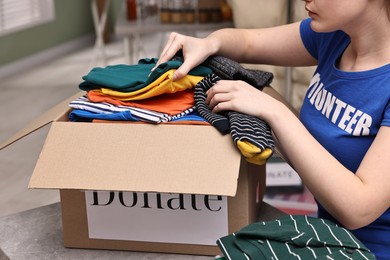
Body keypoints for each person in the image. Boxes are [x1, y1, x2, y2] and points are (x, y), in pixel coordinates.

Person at [153, 0, 390, 258]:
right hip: (327, 238)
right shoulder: (335, 36)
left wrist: (273, 109)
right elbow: (247, 42)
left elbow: (358, 208)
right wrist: (209, 43)